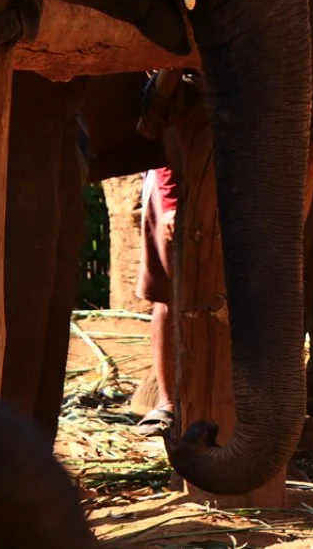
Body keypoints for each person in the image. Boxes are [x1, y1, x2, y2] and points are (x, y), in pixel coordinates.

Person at [134, 165, 179, 436]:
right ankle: (167, 402)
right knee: (168, 295)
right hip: (170, 188)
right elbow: (167, 148)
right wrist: (170, 201)